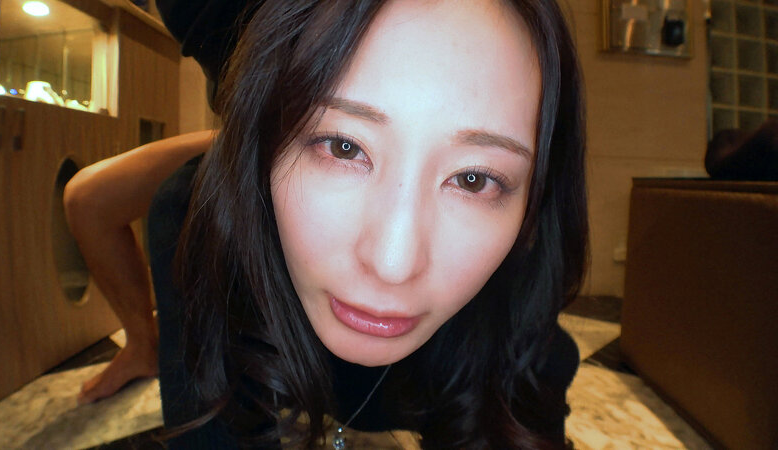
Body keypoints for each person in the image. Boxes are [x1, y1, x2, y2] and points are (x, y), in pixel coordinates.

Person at [152, 0, 587, 447]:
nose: (392, 265)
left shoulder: (524, 330)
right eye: (343, 147)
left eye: (473, 179)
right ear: (261, 140)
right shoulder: (195, 226)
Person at [63, 0, 254, 404]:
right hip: (245, 129)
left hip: (308, 114)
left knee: (178, 205)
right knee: (88, 198)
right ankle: (141, 347)